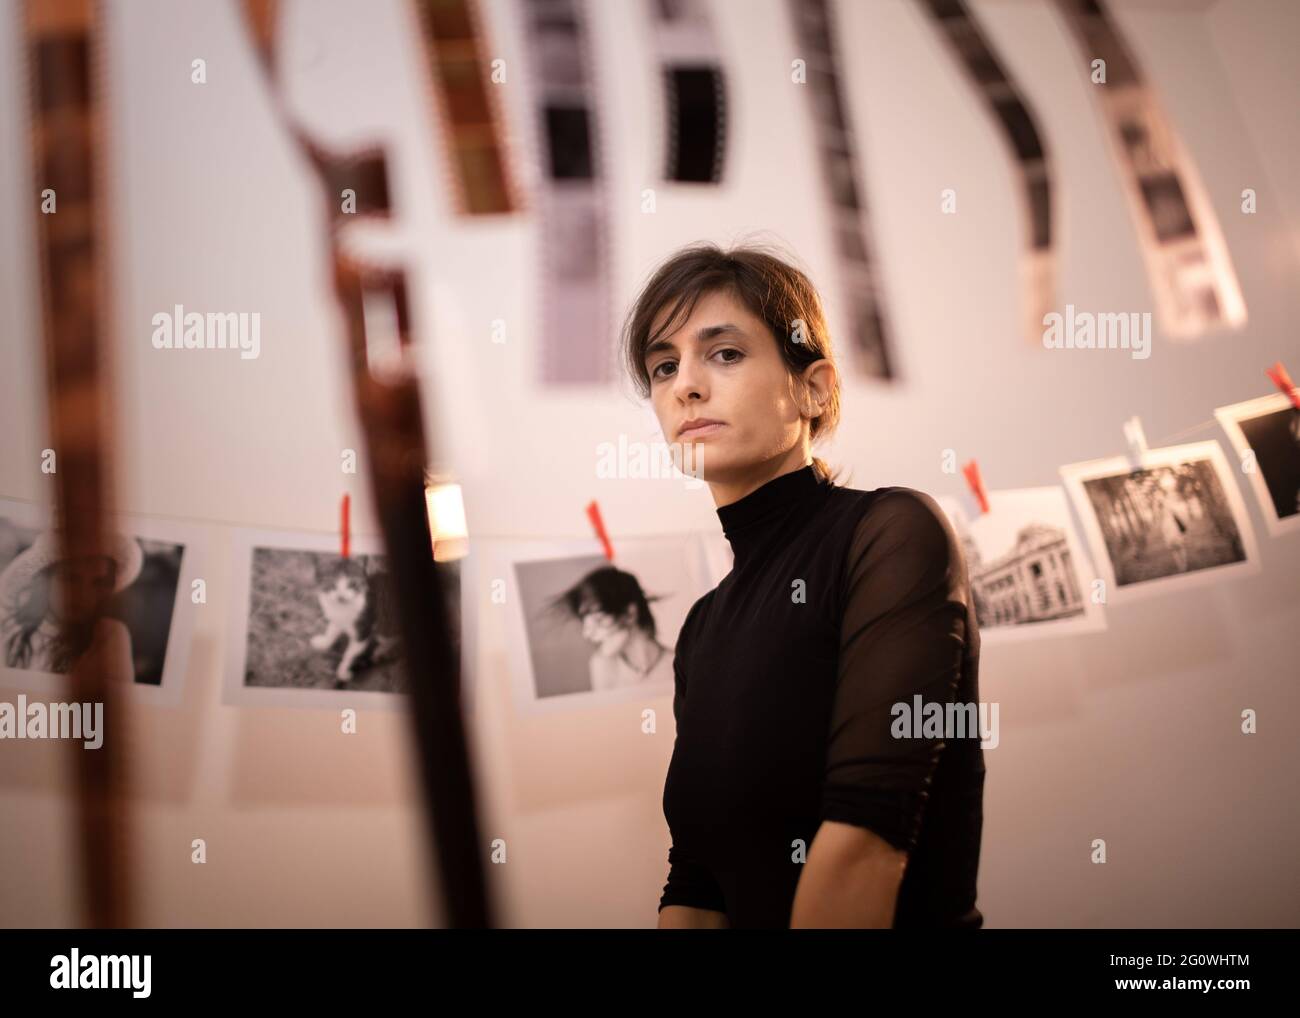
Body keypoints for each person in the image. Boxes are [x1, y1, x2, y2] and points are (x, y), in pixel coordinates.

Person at [621, 241, 985, 928]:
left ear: (813, 387)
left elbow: (863, 840)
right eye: (663, 365)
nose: (685, 385)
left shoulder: (891, 533)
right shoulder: (701, 627)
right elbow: (695, 882)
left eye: (723, 353)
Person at [0, 530, 140, 677]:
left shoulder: (108, 634)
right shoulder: (9, 632)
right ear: (46, 580)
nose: (84, 594)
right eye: (70, 579)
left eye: (98, 583)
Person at [550, 566, 674, 691]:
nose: (587, 634)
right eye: (586, 624)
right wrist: (603, 661)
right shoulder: (602, 664)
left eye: (599, 620)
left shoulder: (678, 664)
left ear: (630, 614)